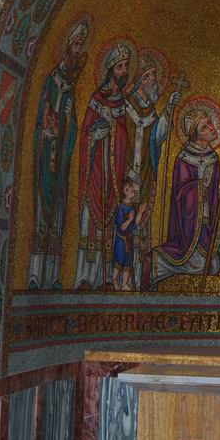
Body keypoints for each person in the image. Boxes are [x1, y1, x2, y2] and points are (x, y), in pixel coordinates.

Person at [28, 19, 89, 289]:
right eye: (76, 45)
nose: (78, 51)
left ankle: (52, 276)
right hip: (45, 161)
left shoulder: (71, 89)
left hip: (60, 163)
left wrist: (68, 125)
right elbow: (40, 119)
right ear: (66, 48)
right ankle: (33, 275)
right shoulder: (51, 83)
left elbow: (74, 127)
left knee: (57, 219)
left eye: (81, 46)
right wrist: (47, 131)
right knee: (42, 214)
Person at [150, 105, 220, 284]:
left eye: (209, 123)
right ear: (196, 134)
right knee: (202, 267)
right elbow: (179, 195)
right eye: (205, 127)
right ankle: (160, 264)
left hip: (206, 226)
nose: (212, 127)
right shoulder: (184, 158)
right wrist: (198, 188)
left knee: (213, 266)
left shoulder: (213, 158)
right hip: (187, 227)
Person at [74, 42, 132, 290]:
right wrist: (96, 135)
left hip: (113, 174)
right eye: (120, 67)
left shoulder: (121, 102)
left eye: (126, 67)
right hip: (95, 173)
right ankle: (86, 277)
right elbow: (85, 135)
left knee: (110, 226)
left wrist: (114, 130)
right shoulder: (97, 98)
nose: (123, 72)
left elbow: (124, 137)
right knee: (91, 224)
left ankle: (107, 278)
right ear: (110, 70)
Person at [125, 52, 183, 285]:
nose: (153, 82)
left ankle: (138, 277)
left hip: (145, 172)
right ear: (138, 81)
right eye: (148, 77)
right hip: (126, 173)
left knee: (140, 224)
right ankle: (121, 277)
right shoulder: (126, 107)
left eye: (154, 77)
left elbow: (157, 137)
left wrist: (169, 108)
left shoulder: (151, 110)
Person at [112, 172, 146, 291]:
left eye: (131, 187)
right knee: (119, 261)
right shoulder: (121, 207)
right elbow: (122, 227)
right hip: (121, 240)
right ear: (124, 193)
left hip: (129, 239)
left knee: (128, 262)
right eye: (127, 189)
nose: (130, 190)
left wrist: (140, 212)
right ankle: (114, 280)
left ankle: (124, 284)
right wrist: (130, 219)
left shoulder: (132, 206)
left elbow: (135, 224)